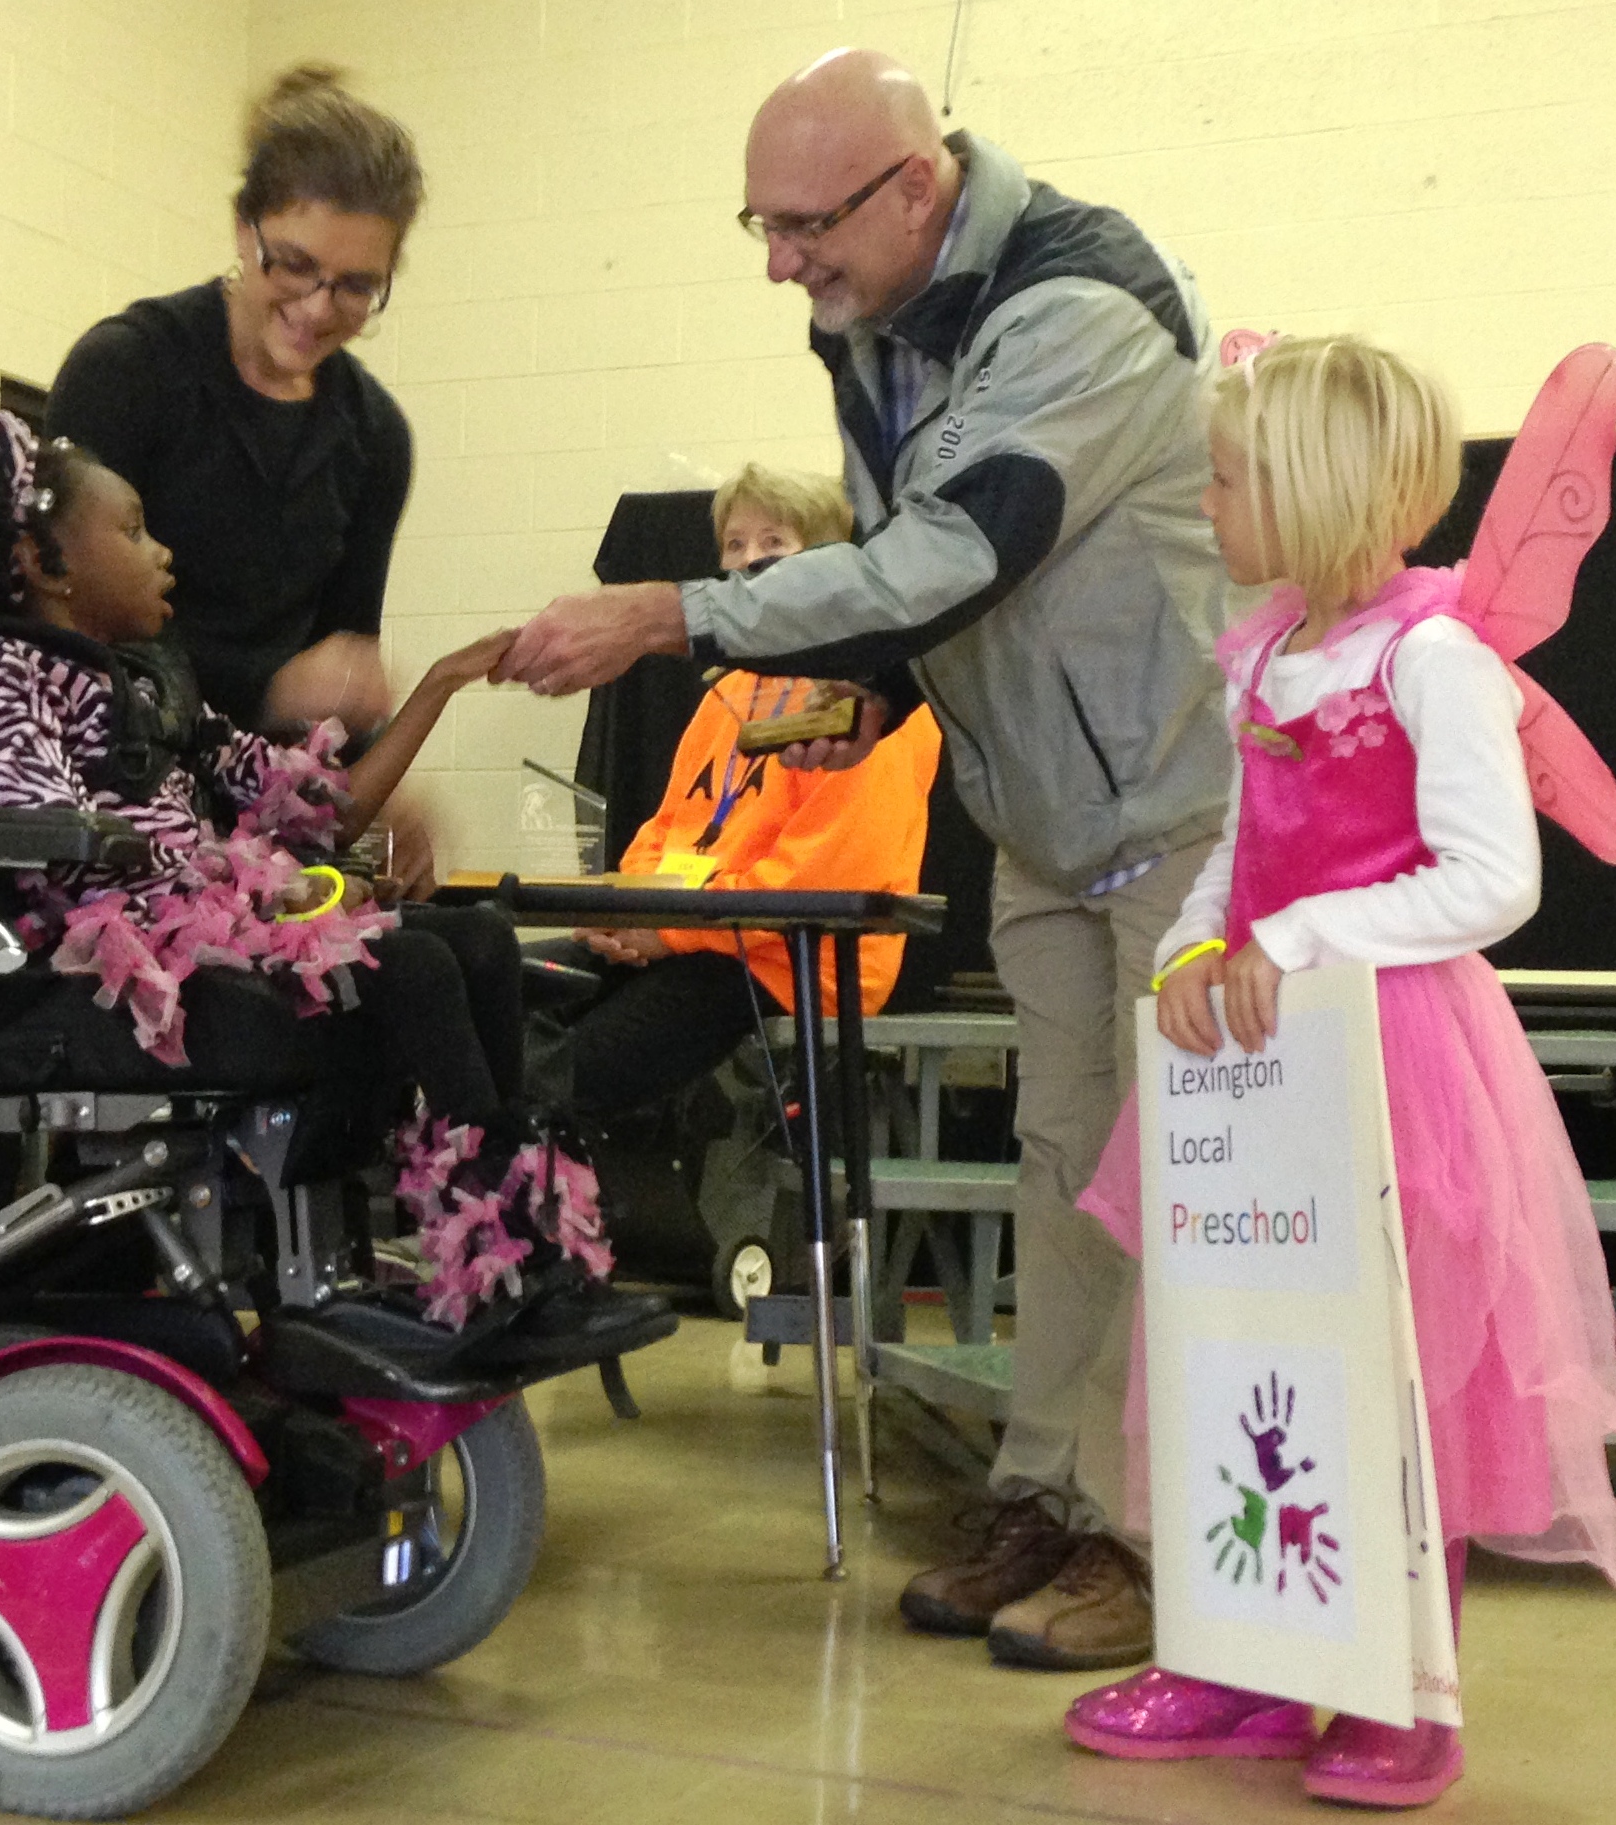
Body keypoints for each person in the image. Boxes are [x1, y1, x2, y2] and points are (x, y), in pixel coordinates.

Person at [496, 49, 1233, 1669]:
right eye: (757, 226)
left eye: (801, 223)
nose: (778, 262)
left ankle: (1154, 1538)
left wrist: (676, 614)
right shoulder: (873, 320)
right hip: (1043, 827)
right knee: (1063, 1173)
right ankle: (1045, 1494)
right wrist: (877, 691)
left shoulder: (1083, 303)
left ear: (916, 187)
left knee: (1181, 1190)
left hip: (1180, 821)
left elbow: (963, 540)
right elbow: (942, 582)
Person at [1062, 336, 1616, 1808]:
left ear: (1314, 490)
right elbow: (1240, 861)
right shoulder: (1263, 653)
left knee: (1391, 1391)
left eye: (1230, 475)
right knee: (1233, 1358)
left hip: (1399, 1075)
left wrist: (1309, 934)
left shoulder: (1431, 658)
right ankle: (1242, 1658)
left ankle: (1400, 1697)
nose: (1211, 497)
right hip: (1257, 1073)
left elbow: (1491, 879)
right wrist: (1191, 955)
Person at [0, 411, 608, 1330]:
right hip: (108, 976)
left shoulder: (147, 683)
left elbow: (318, 813)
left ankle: (516, 1242)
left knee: (479, 939)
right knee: (408, 965)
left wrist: (437, 686)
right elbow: (56, 843)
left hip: (213, 930)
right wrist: (260, 889)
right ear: (49, 569)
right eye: (133, 531)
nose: (163, 553)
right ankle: (491, 1256)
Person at [537, 463, 941, 1116]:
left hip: (791, 961)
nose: (749, 561)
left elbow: (818, 881)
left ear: (830, 562)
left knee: (570, 1075)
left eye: (773, 544)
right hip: (695, 939)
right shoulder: (727, 691)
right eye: (735, 545)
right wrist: (631, 911)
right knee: (506, 997)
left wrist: (668, 934)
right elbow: (667, 830)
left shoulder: (867, 700)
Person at [45, 65, 414, 747]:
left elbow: (340, 698)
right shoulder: (128, 372)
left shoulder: (377, 437)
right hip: (105, 788)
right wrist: (269, 687)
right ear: (245, 228)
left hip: (263, 811)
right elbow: (62, 632)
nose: (316, 308)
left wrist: (381, 785)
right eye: (295, 265)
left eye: (357, 287)